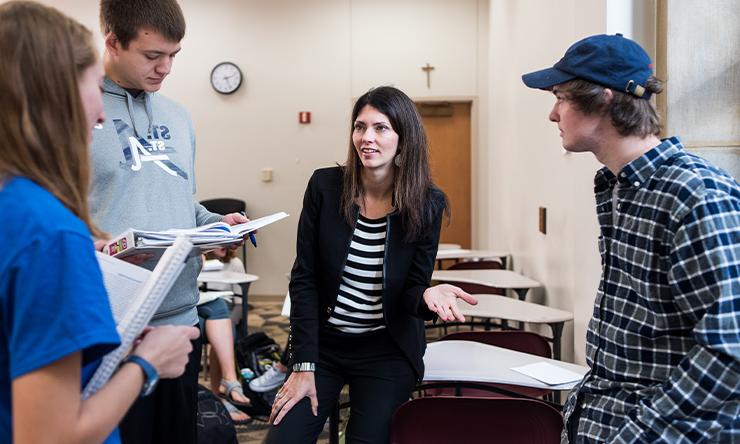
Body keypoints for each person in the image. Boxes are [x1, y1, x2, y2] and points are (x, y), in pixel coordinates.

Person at [522, 34, 740, 443]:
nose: (553, 114)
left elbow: (730, 350)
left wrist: (639, 434)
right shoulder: (618, 185)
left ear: (603, 99)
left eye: (560, 97)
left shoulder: (694, 194)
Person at [0, 2, 199, 443]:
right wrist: (146, 364)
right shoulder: (48, 233)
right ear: (57, 93)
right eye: (93, 84)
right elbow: (50, 435)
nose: (104, 114)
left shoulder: (17, 206)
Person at [266, 86, 477, 443]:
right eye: (360, 127)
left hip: (386, 349)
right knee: (284, 438)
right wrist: (302, 365)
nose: (367, 138)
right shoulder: (324, 186)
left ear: (403, 138)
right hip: (324, 346)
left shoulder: (427, 203)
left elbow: (411, 288)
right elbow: (305, 279)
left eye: (381, 128)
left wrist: (426, 295)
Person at [89, 1, 247, 442]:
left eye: (174, 55)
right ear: (113, 43)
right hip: (113, 322)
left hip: (180, 317)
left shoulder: (178, 117)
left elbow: (179, 201)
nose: (166, 68)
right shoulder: (79, 109)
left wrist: (217, 225)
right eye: (152, 55)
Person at [198, 248, 252, 424]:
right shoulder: (198, 260)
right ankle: (222, 391)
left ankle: (217, 395)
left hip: (226, 313)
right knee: (212, 330)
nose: (223, 246)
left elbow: (238, 304)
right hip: (201, 308)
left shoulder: (235, 263)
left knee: (222, 333)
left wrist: (229, 321)